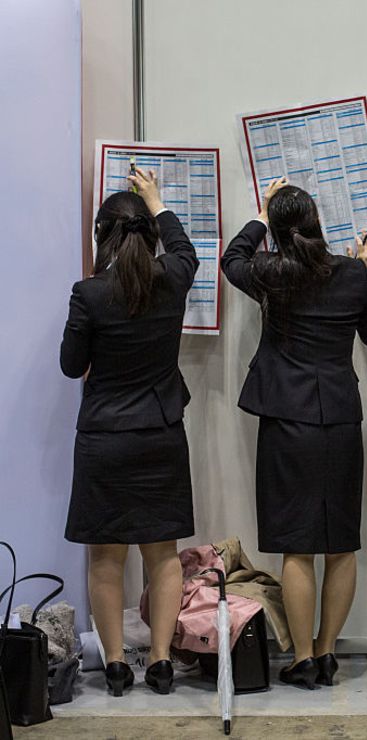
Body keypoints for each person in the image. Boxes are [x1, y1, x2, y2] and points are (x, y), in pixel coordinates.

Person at [222, 177, 367, 690]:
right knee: (341, 544)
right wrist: (365, 273)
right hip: (339, 419)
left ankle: (300, 659)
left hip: (286, 420)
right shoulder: (350, 274)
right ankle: (325, 652)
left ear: (276, 231)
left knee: (297, 547)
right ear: (318, 222)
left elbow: (232, 259)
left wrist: (260, 210)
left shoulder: (271, 272)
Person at [60, 170, 197, 696]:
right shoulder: (173, 277)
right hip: (161, 434)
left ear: (103, 236)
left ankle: (116, 666)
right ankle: (161, 663)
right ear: (149, 234)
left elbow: (73, 366)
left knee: (105, 558)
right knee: (162, 554)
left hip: (104, 439)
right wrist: (157, 200)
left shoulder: (89, 294)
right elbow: (184, 246)